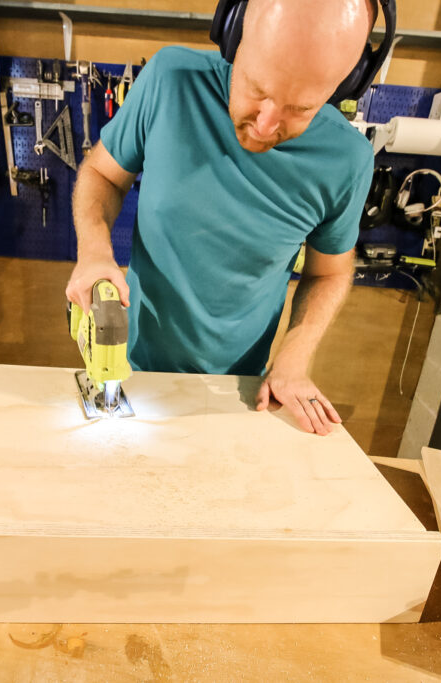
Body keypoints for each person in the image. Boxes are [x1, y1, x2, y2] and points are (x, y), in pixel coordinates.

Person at [65, 0, 376, 435]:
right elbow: (101, 173)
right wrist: (95, 251)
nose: (266, 125)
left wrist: (294, 355)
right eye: (257, 89)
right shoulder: (171, 80)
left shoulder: (348, 159)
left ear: (348, 83)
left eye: (301, 108)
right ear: (233, 33)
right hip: (135, 370)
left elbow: (329, 274)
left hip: (238, 390)